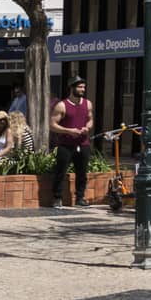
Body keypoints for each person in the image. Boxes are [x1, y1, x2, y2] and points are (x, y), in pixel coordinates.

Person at [49, 77, 94, 208]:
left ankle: (80, 198)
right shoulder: (62, 105)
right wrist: (68, 131)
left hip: (83, 143)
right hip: (66, 145)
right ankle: (57, 198)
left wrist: (88, 127)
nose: (82, 90)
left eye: (84, 87)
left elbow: (90, 119)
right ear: (72, 88)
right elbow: (52, 125)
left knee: (82, 172)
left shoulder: (88, 103)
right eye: (80, 87)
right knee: (60, 171)